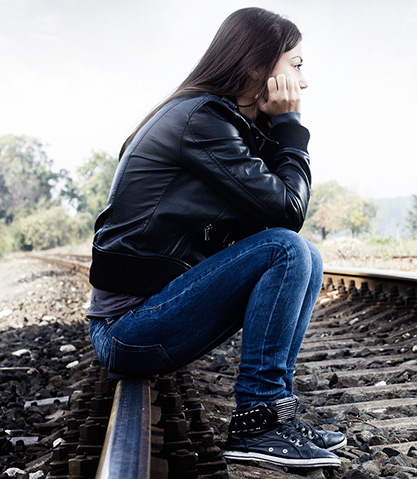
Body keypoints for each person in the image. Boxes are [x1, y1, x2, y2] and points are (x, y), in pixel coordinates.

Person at [86, 7, 344, 468]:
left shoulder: (223, 124)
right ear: (256, 65)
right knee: (286, 248)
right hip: (126, 330)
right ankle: (257, 421)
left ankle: (275, 412)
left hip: (148, 315)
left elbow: (274, 209)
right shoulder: (200, 120)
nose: (303, 82)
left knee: (306, 255)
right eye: (297, 65)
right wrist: (290, 127)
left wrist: (273, 128)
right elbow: (288, 211)